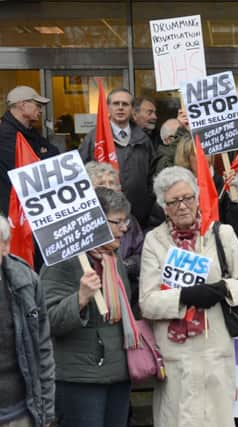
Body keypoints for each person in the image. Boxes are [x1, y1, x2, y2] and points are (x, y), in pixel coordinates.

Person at [139, 166, 238, 427]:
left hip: (215, 353)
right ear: (164, 207)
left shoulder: (221, 234)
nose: (182, 206)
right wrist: (183, 296)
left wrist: (222, 289)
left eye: (188, 198)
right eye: (174, 201)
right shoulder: (154, 241)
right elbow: (147, 302)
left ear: (197, 198)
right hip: (175, 359)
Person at [41, 188, 136, 427]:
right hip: (79, 380)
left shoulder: (113, 261)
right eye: (118, 222)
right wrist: (80, 298)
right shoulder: (62, 260)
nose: (125, 228)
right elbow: (48, 320)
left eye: (126, 221)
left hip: (119, 374)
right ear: (95, 222)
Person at [0, 214, 54, 427]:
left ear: (5, 246)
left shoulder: (25, 280)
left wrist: (46, 412)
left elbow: (43, 349)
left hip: (21, 413)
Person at [79, 88, 155, 228]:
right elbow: (80, 176)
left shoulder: (144, 140)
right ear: (108, 107)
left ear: (132, 109)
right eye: (116, 103)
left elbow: (152, 177)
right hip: (103, 217)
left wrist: (147, 206)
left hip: (138, 217)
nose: (120, 108)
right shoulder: (94, 139)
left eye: (125, 104)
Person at [85, 161, 144, 317]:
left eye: (112, 183)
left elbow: (142, 254)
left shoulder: (129, 220)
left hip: (127, 295)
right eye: (101, 183)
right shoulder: (81, 225)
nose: (108, 187)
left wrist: (123, 266)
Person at [173, 132, 238, 241]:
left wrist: (236, 197)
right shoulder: (173, 189)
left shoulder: (223, 186)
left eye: (207, 152)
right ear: (186, 159)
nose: (205, 157)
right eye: (199, 153)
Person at [0, 86, 59, 216]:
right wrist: (41, 154)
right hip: (15, 209)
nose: (41, 110)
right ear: (22, 105)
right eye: (37, 105)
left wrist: (40, 154)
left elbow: (54, 152)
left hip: (31, 204)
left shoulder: (28, 130)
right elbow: (27, 167)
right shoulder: (5, 133)